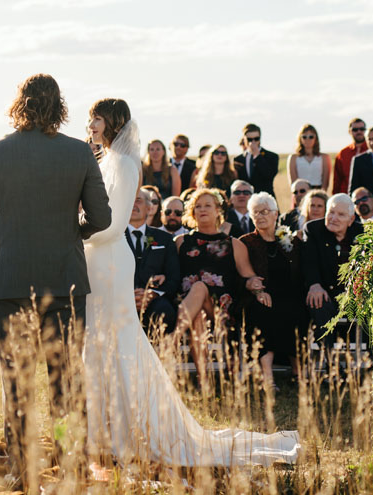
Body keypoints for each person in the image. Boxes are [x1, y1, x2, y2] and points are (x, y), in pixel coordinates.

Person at [81, 99, 300, 468]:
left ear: (112, 122)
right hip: (98, 258)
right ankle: (100, 426)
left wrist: (76, 229)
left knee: (116, 338)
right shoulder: (106, 161)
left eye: (96, 118)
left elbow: (114, 223)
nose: (90, 124)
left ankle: (121, 428)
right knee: (99, 340)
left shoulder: (124, 162)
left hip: (106, 255)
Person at [0, 74, 111, 487]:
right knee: (66, 380)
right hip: (64, 277)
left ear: (19, 104)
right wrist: (74, 232)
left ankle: (20, 468)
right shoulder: (79, 153)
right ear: (59, 106)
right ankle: (72, 464)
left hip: (9, 279)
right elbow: (101, 218)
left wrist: (8, 234)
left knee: (16, 381)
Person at [175, 187, 261, 380]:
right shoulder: (181, 241)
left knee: (199, 286)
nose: (202, 209)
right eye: (198, 206)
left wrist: (258, 288)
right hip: (189, 305)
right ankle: (203, 379)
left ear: (218, 211)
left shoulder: (234, 244)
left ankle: (172, 340)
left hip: (221, 305)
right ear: (192, 212)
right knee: (197, 315)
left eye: (208, 205)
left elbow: (249, 275)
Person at [239, 193, 301, 385]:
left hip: (288, 294)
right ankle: (267, 376)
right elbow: (239, 275)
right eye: (255, 212)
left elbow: (299, 272)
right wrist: (253, 288)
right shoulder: (246, 242)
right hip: (258, 296)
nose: (260, 216)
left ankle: (299, 372)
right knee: (264, 311)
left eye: (265, 211)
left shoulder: (289, 240)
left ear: (276, 214)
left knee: (296, 311)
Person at [299, 194, 359, 343]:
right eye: (331, 212)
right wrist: (314, 285)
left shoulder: (361, 232)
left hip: (354, 294)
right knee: (318, 302)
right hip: (325, 290)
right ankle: (329, 359)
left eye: (341, 214)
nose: (334, 218)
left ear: (351, 220)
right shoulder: (313, 229)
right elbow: (309, 261)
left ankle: (371, 361)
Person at [127, 186, 179, 335]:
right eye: (129, 200)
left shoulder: (164, 239)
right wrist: (127, 294)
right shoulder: (114, 239)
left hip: (153, 300)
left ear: (149, 208)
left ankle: (159, 355)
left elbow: (173, 277)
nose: (133, 204)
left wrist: (153, 293)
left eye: (138, 200)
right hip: (120, 298)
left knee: (164, 312)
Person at [233, 123, 278, 196]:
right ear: (244, 139)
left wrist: (257, 156)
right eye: (249, 139)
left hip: (265, 199)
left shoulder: (271, 156)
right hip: (245, 200)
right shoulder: (238, 159)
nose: (253, 142)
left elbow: (269, 175)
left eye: (256, 139)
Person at [331, 118, 368, 196]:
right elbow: (337, 180)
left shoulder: (372, 151)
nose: (359, 132)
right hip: (346, 196)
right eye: (355, 129)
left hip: (368, 198)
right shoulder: (343, 154)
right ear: (349, 131)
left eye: (362, 129)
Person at [287, 124, 330, 191]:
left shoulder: (324, 157)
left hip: (318, 191)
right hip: (300, 192)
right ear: (300, 139)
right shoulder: (293, 158)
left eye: (311, 137)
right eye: (304, 137)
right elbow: (293, 183)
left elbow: (325, 183)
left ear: (316, 138)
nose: (307, 139)